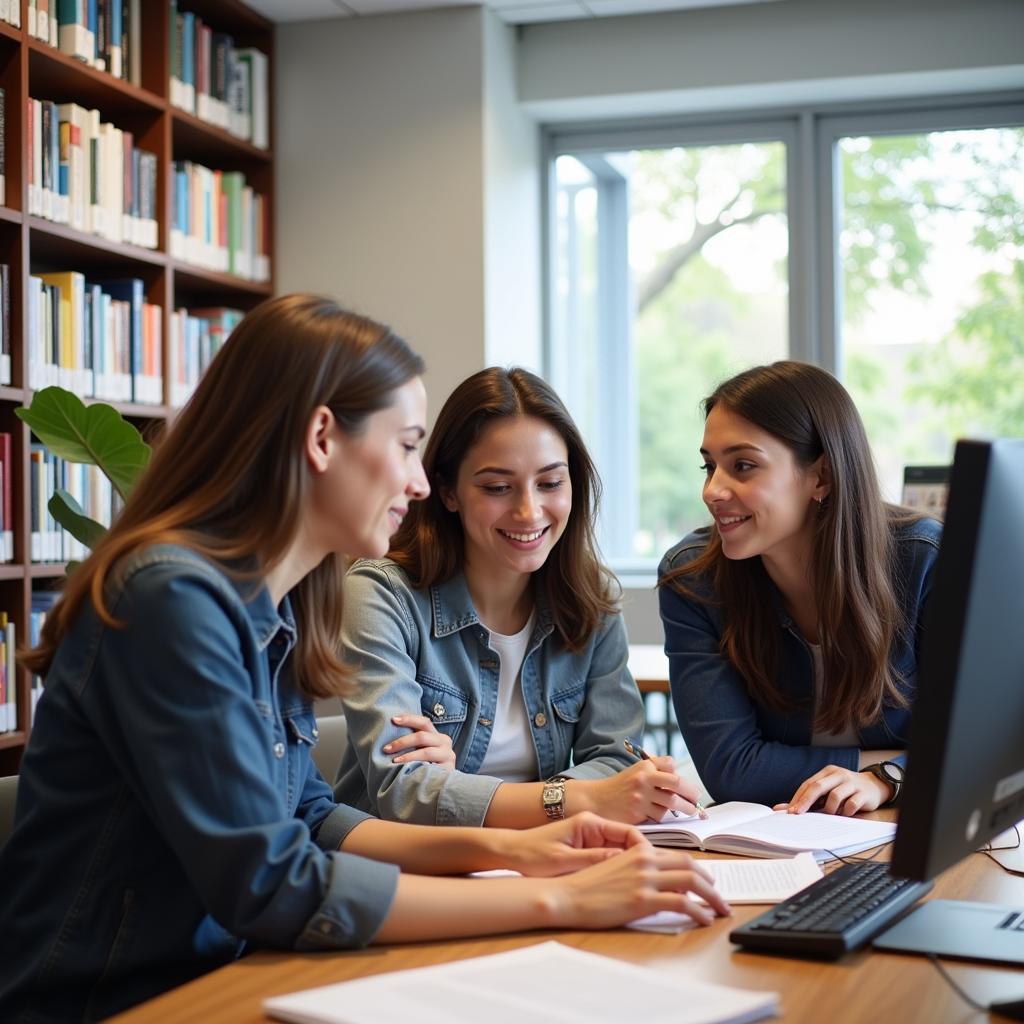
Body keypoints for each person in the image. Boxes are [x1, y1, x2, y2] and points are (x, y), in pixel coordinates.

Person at [0, 297, 729, 1023]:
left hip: (231, 974)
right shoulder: (171, 600)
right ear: (322, 437)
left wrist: (533, 849)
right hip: (111, 1001)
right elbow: (269, 881)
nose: (418, 484)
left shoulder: (278, 600)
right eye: (409, 445)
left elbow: (313, 816)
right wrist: (559, 896)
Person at [334, 367, 702, 827]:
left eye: (550, 483)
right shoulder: (381, 594)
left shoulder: (593, 599)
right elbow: (404, 792)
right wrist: (575, 799)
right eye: (497, 487)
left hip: (536, 862)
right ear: (448, 490)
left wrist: (459, 785)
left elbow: (615, 758)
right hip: (400, 873)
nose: (529, 512)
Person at [658, 361, 942, 816]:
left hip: (906, 829)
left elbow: (981, 746)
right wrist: (893, 764)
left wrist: (889, 779)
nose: (712, 490)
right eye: (709, 466)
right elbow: (732, 770)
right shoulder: (693, 579)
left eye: (743, 465)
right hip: (783, 840)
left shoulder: (924, 560)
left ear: (822, 477)